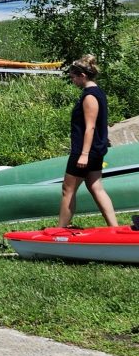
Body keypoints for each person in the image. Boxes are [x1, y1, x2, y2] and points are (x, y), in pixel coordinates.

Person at [59, 55, 117, 227]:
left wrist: (83, 155)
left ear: (82, 76)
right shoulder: (98, 93)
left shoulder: (90, 96)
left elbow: (90, 127)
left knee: (67, 189)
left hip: (85, 151)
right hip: (96, 149)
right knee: (95, 187)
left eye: (73, 77)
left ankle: (59, 232)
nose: (73, 81)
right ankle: (115, 228)